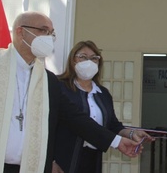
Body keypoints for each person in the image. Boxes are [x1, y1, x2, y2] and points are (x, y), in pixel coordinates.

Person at [0, 12, 141, 173]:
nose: (49, 38)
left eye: (52, 33)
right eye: (43, 30)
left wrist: (116, 141)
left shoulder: (47, 80)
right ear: (20, 32)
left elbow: (77, 118)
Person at [53, 40, 154, 173]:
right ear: (73, 61)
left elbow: (113, 125)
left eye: (94, 58)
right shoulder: (59, 87)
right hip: (62, 160)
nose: (88, 61)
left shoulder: (103, 93)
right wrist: (52, 162)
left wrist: (131, 133)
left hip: (92, 159)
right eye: (83, 56)